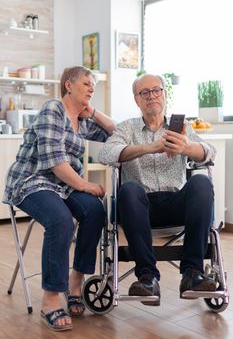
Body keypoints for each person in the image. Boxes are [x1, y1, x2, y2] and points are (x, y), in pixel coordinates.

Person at [3, 66, 115, 331]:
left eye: (94, 86)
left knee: (96, 211)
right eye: (86, 84)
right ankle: (51, 298)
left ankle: (76, 281)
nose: (91, 89)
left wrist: (94, 112)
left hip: (63, 187)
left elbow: (114, 133)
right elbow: (55, 163)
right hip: (32, 182)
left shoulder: (83, 119)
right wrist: (87, 185)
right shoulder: (52, 109)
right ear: (68, 85)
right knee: (61, 220)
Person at [98, 73, 216, 306]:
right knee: (129, 189)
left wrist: (187, 147)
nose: (151, 96)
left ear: (164, 94)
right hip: (139, 206)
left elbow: (210, 151)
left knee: (202, 182)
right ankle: (147, 277)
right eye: (145, 92)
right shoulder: (126, 128)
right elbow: (105, 154)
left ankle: (193, 273)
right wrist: (147, 148)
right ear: (136, 100)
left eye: (156, 90)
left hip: (175, 203)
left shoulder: (182, 127)